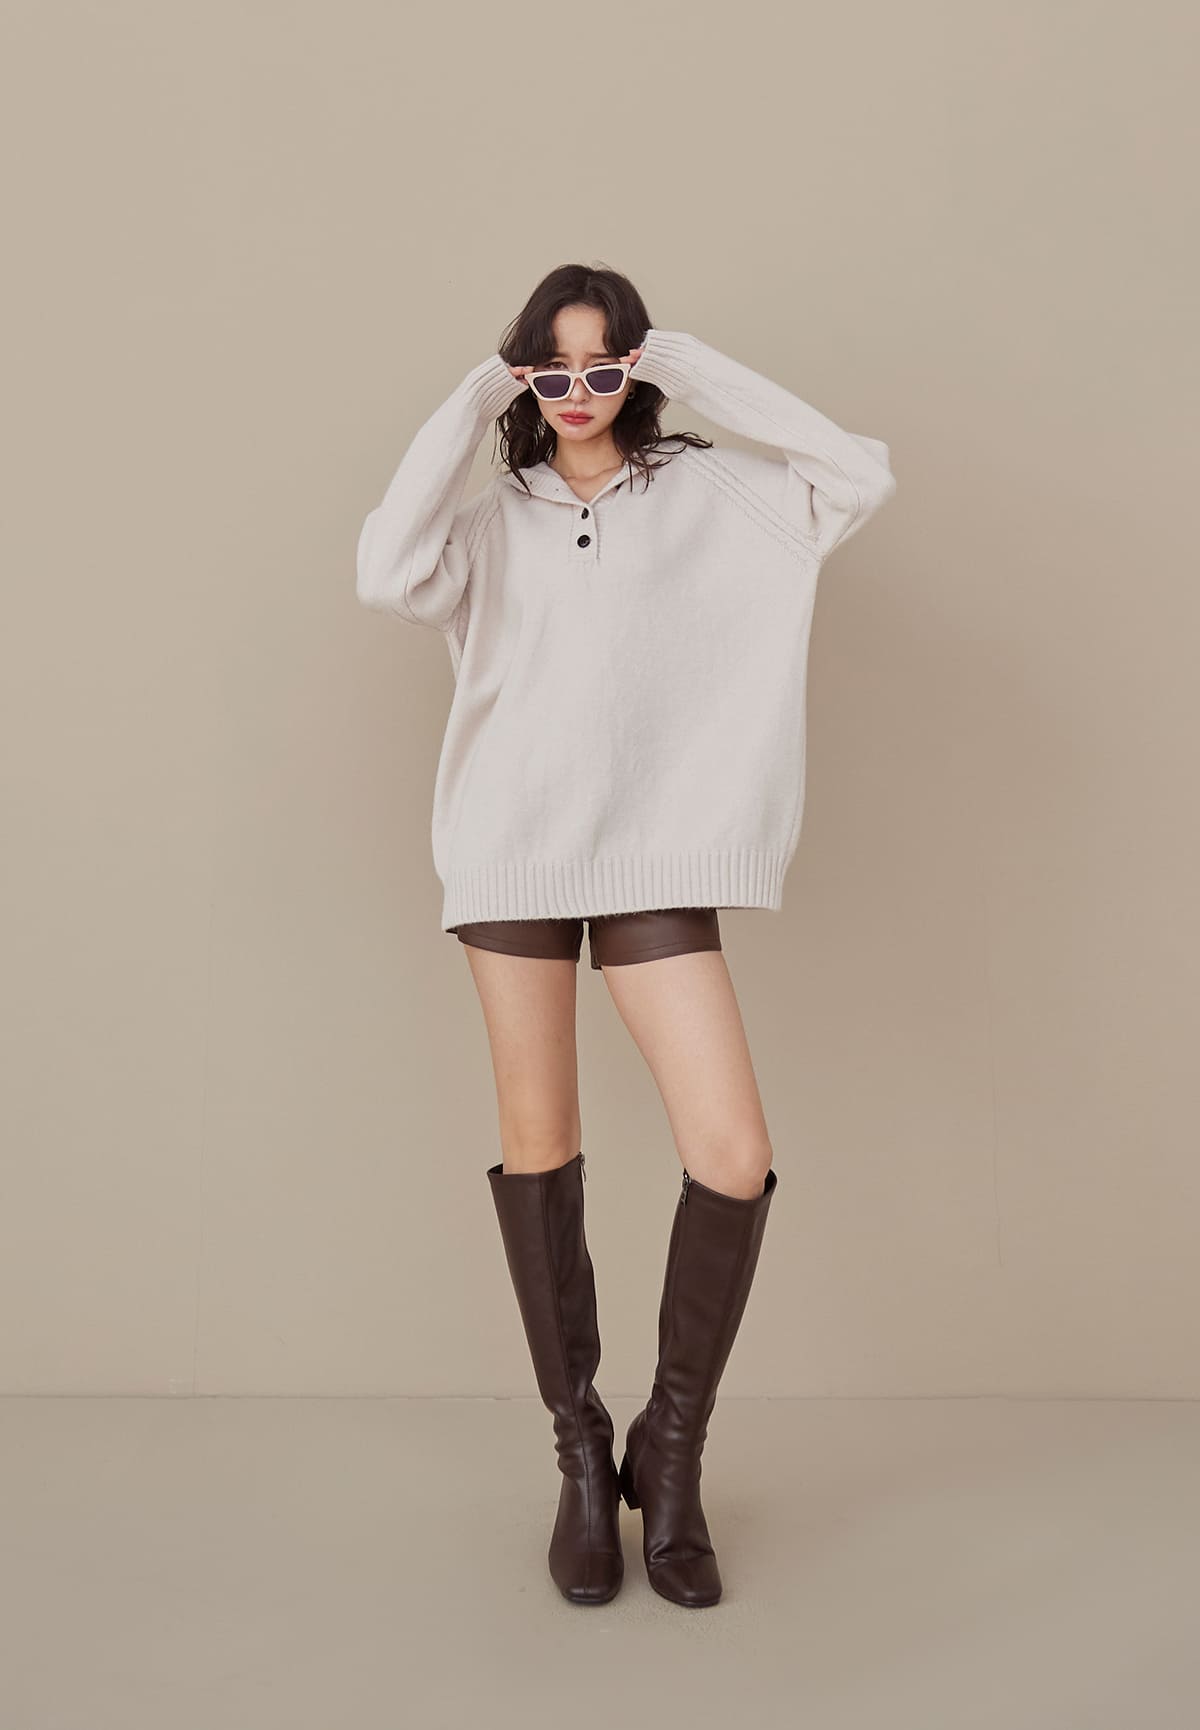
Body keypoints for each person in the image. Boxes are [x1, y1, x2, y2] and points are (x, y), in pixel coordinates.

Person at [356, 262, 896, 1608]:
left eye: (607, 367)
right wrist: (476, 395)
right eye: (554, 370)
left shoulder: (707, 491)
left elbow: (855, 473)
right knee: (541, 1144)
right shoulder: (489, 520)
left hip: (655, 850)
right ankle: (581, 1460)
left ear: (638, 368)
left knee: (733, 1151)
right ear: (524, 376)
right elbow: (382, 569)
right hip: (510, 850)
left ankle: (674, 1445)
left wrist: (687, 367)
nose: (581, 393)